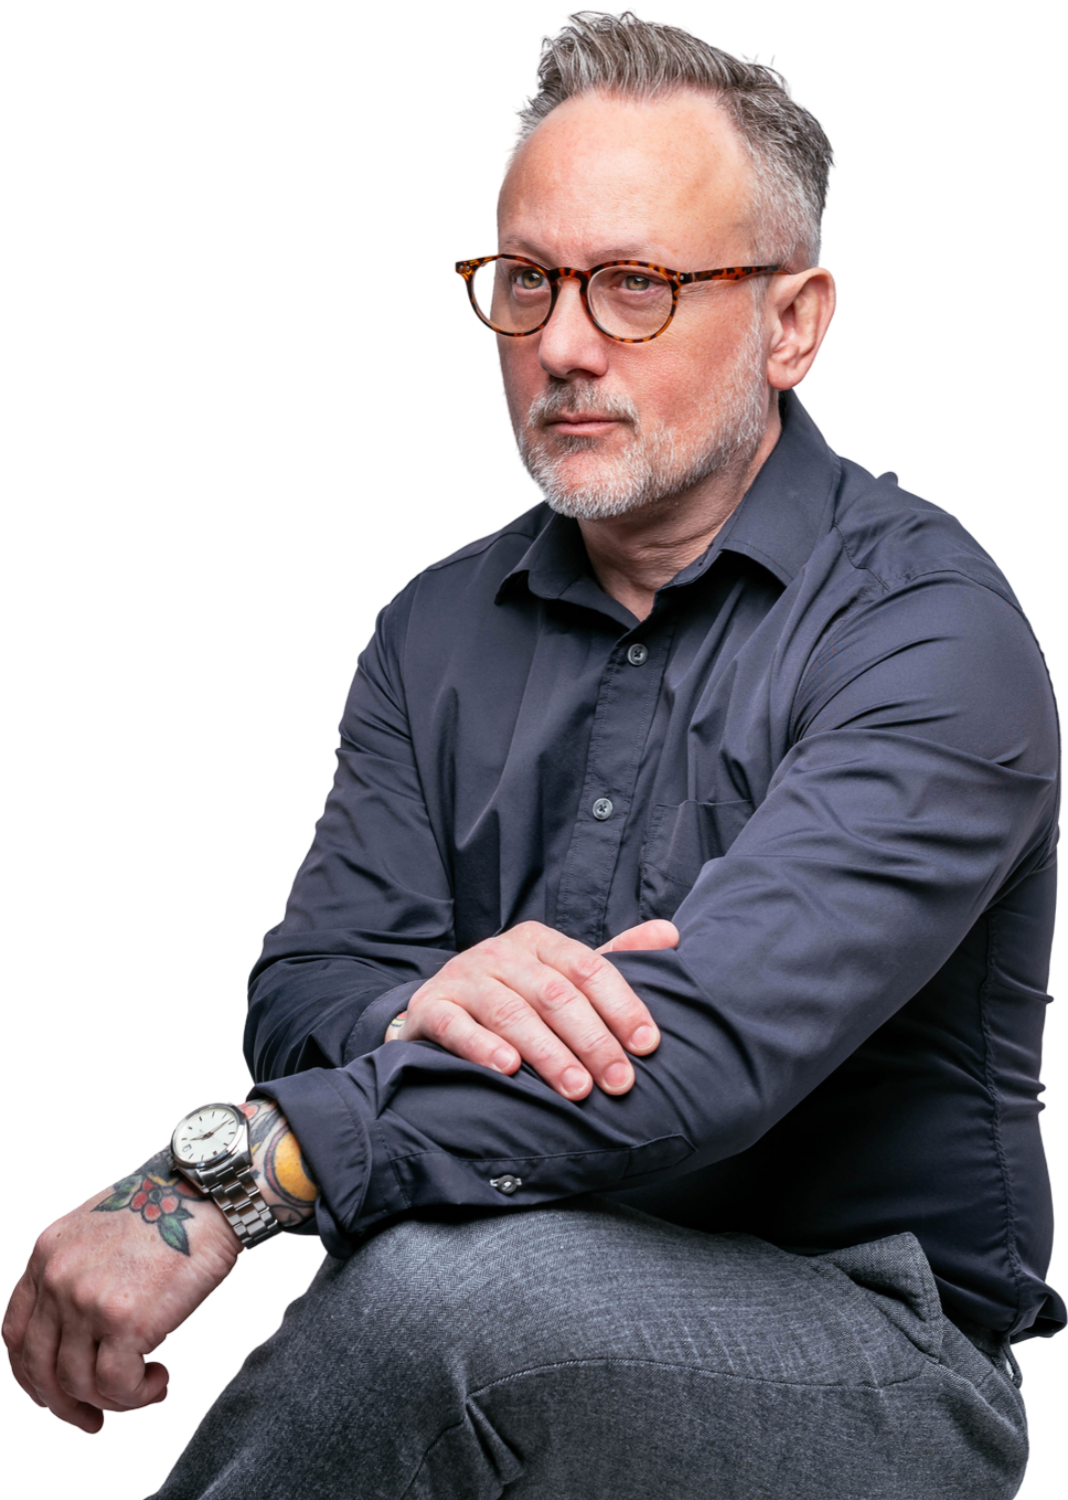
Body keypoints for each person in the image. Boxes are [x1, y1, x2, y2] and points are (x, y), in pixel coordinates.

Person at [3, 10, 1060, 1498]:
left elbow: (695, 1057)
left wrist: (241, 1168)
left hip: (874, 1349)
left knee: (438, 1310)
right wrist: (414, 1000)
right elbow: (307, 986)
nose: (561, 345)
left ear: (793, 321)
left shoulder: (931, 635)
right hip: (496, 1268)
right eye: (524, 283)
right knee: (440, 1293)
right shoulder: (433, 628)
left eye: (636, 285)